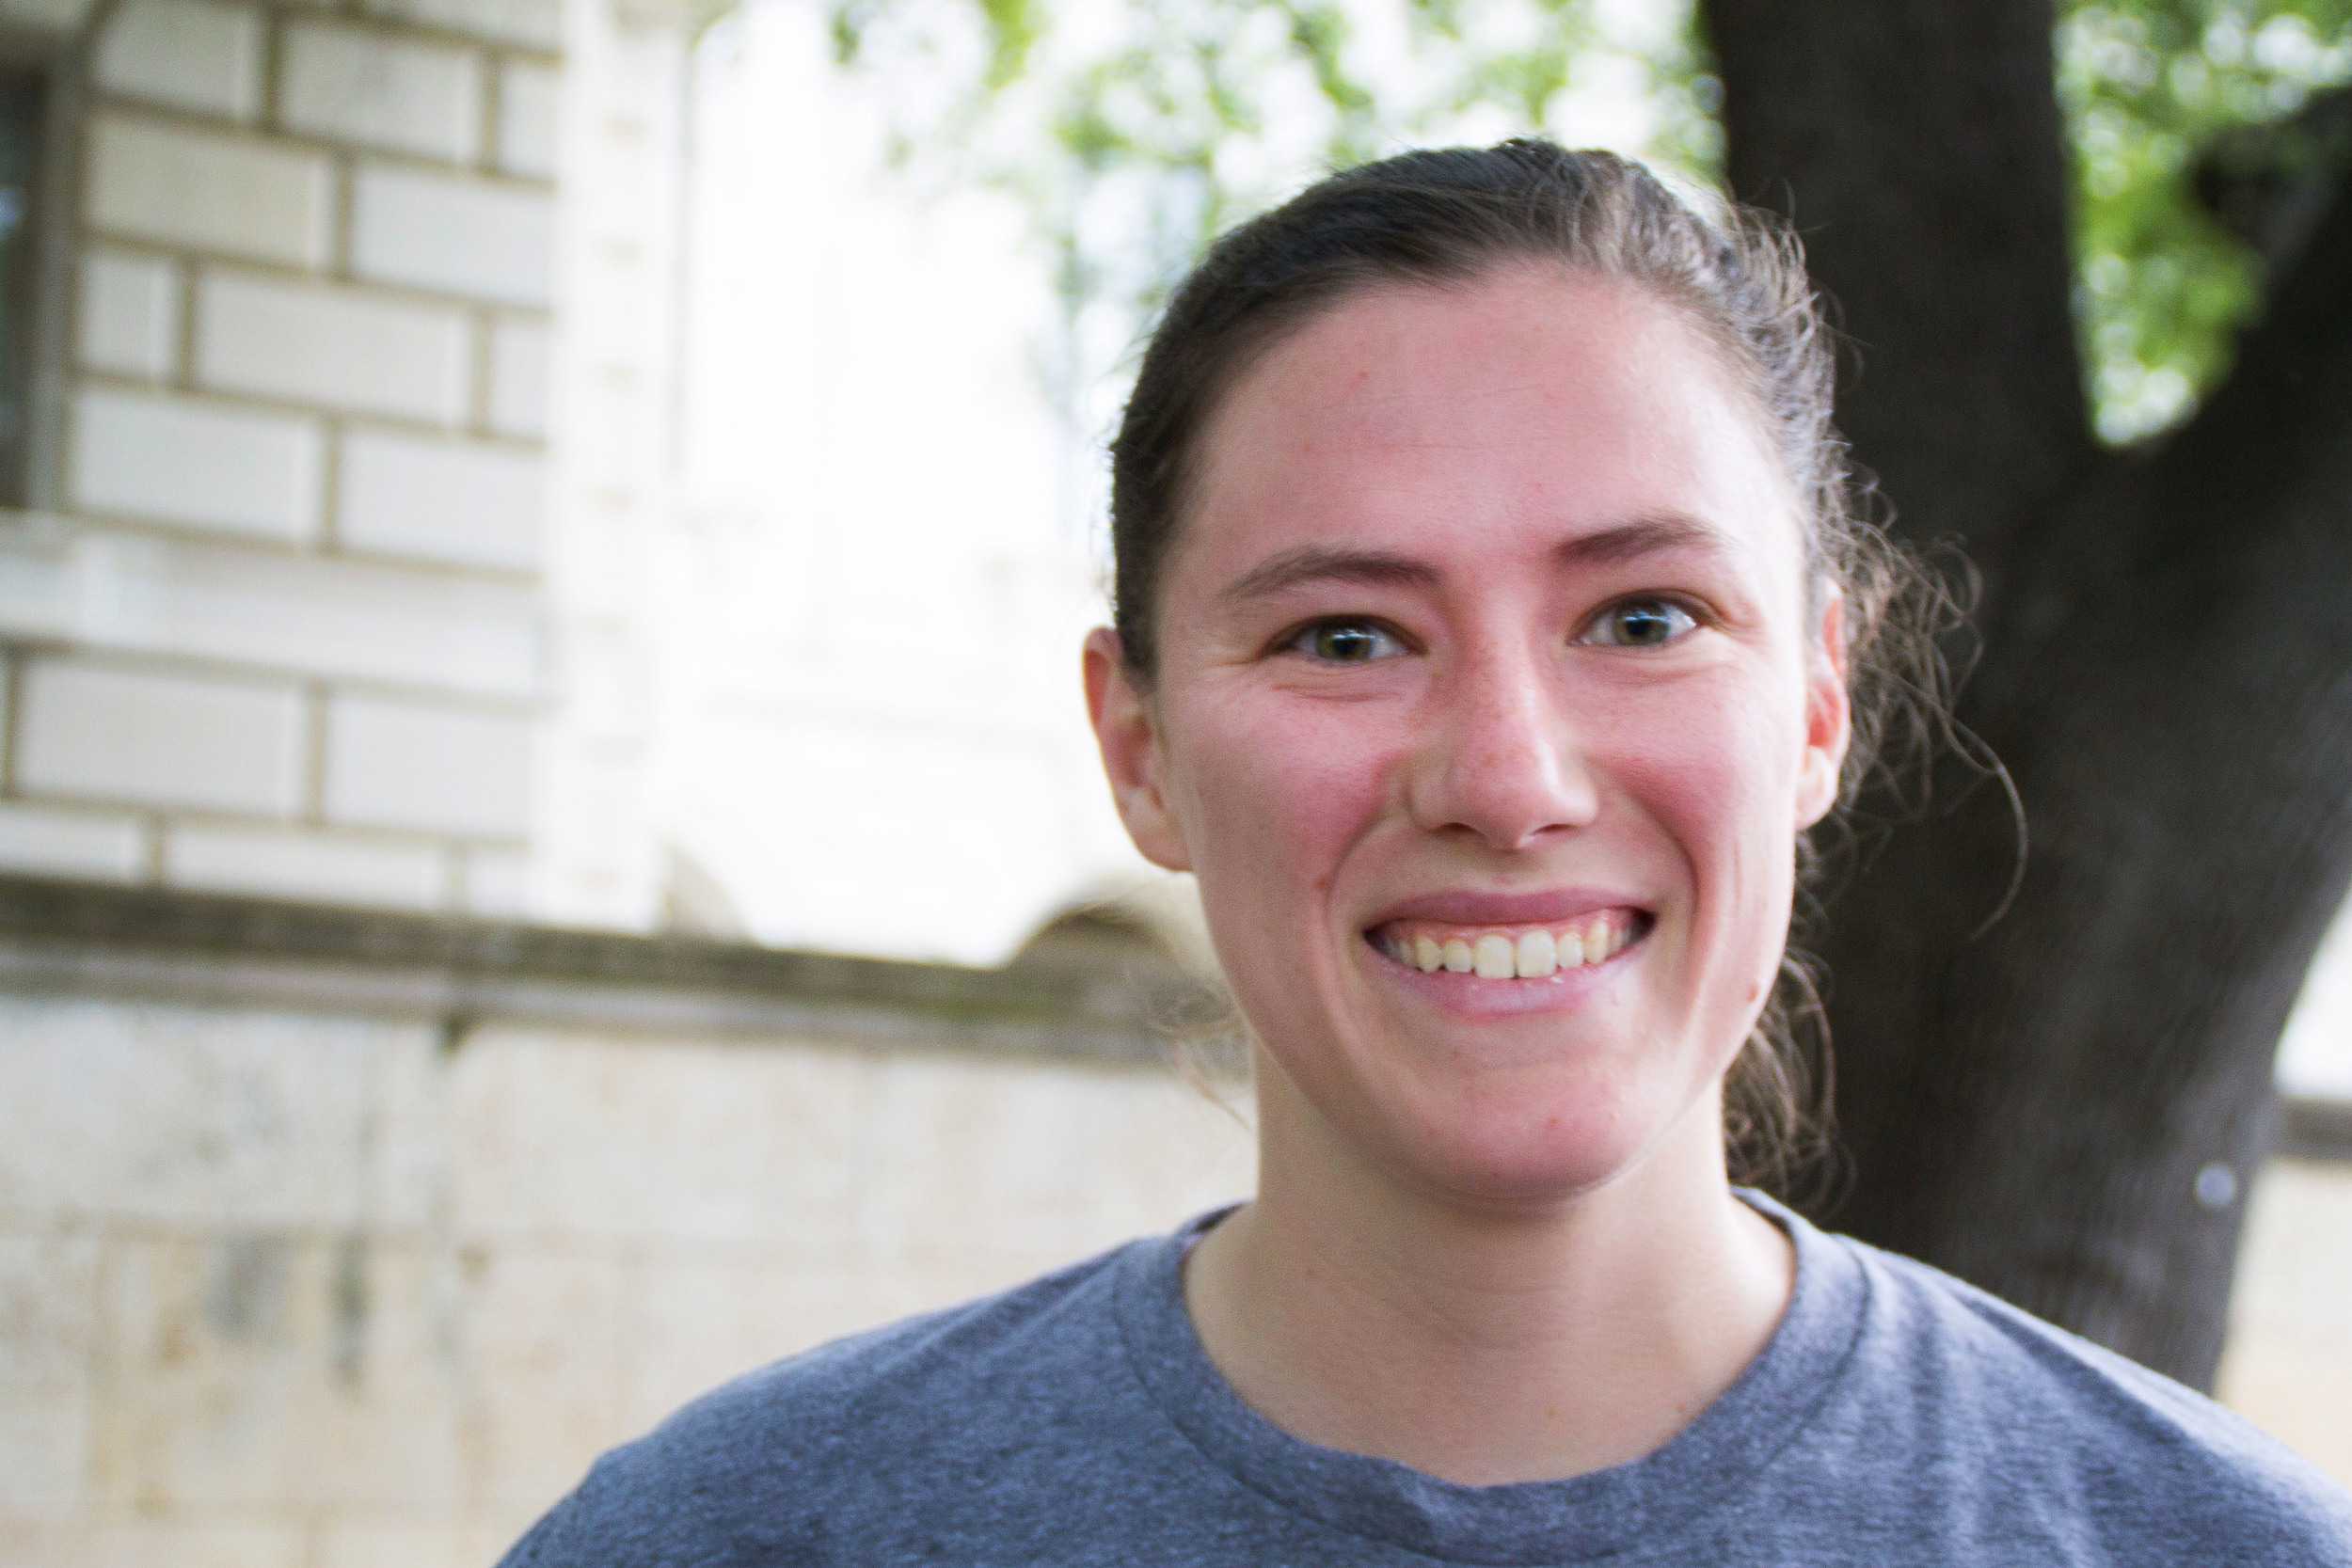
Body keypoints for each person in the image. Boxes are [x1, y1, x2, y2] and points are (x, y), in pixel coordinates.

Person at [497, 141, 2352, 1565]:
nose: (1506, 776)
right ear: (1135, 746)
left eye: (1639, 617)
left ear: (1813, 706)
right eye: (1344, 636)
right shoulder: (741, 1540)